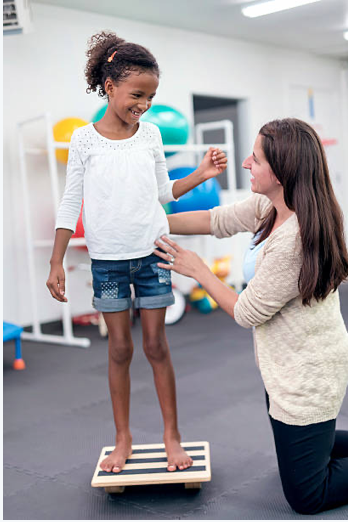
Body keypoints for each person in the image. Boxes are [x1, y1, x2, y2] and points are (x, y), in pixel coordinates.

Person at [46, 31, 227, 474]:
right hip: (107, 259)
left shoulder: (150, 137)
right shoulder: (85, 142)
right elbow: (71, 202)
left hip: (152, 253)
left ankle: (171, 436)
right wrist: (56, 262)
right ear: (109, 87)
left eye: (151, 96)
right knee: (120, 349)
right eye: (137, 94)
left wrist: (201, 172)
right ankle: (122, 438)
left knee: (156, 345)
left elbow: (164, 194)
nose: (144, 104)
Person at [154, 118, 348, 514]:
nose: (245, 163)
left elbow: (246, 312)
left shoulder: (294, 239)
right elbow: (216, 220)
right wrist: (149, 225)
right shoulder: (271, 205)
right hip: (284, 365)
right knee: (300, 459)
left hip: (308, 375)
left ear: (281, 173)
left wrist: (197, 270)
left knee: (307, 496)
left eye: (255, 159)